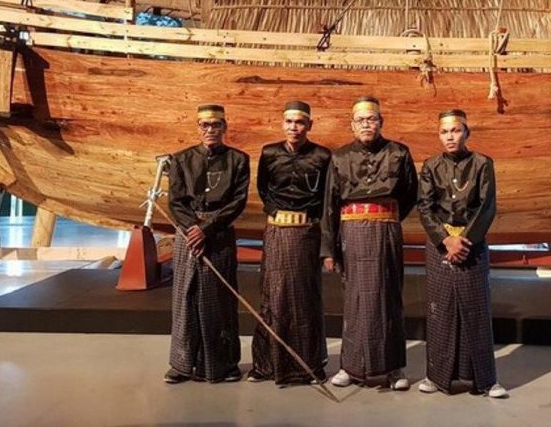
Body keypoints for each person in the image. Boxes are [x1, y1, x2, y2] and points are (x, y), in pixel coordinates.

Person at [321, 96, 418, 390]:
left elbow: (410, 194)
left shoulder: (399, 152)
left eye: (371, 119)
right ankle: (350, 367)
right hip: (351, 232)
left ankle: (394, 368)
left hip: (386, 231)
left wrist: (387, 217)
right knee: (354, 298)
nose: (366, 125)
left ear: (381, 122)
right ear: (352, 124)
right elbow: (329, 206)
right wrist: (328, 250)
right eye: (360, 120)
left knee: (389, 295)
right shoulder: (339, 157)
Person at [416, 109, 507, 398]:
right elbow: (425, 207)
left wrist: (464, 241)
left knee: (476, 309)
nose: (450, 137)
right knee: (440, 309)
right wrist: (445, 240)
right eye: (444, 132)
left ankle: (485, 380)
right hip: (440, 245)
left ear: (467, 133)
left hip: (472, 244)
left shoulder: (482, 164)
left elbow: (487, 206)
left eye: (455, 130)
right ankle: (436, 376)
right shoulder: (431, 166)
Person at [164, 104, 250, 384]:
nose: (210, 130)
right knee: (185, 298)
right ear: (198, 127)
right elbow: (175, 201)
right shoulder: (181, 159)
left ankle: (223, 364)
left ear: (225, 127)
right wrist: (193, 229)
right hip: (187, 233)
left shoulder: (239, 160)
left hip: (219, 234)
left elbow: (237, 202)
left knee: (219, 300)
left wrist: (207, 229)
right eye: (205, 125)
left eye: (216, 125)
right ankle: (182, 364)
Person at [248, 101, 332, 385]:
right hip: (276, 232)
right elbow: (263, 188)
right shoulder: (269, 153)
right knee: (272, 296)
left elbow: (326, 197)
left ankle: (309, 367)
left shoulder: (322, 156)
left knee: (305, 297)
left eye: (299, 122)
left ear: (309, 125)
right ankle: (265, 365)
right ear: (282, 123)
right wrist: (276, 212)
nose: (293, 127)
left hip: (306, 233)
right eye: (288, 122)